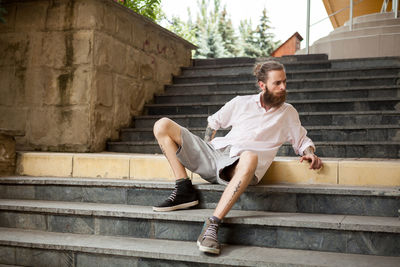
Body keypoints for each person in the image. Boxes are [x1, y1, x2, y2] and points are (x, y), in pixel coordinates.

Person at [152, 60, 323, 255]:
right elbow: (213, 123)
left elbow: (302, 141)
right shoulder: (241, 102)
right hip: (215, 154)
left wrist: (310, 154)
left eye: (284, 82)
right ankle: (183, 188)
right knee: (162, 124)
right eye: (277, 83)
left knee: (250, 156)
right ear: (262, 85)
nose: (283, 87)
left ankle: (212, 225)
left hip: (239, 166)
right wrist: (207, 145)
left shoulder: (288, 113)